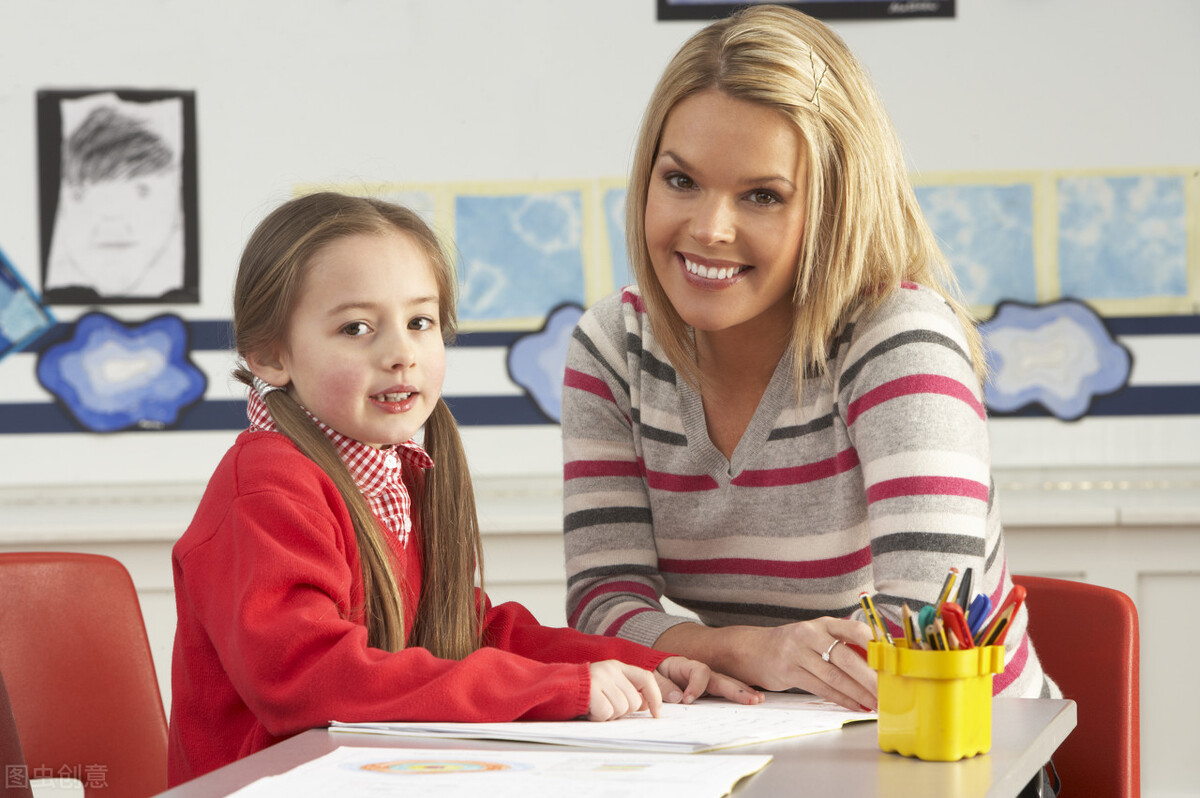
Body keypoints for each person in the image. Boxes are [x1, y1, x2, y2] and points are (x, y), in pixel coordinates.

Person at [561, 4, 1059, 713]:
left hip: (969, 744)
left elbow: (923, 633)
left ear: (835, 207)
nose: (709, 228)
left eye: (762, 196)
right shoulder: (614, 347)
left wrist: (711, 649)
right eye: (681, 181)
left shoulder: (899, 339)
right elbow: (602, 606)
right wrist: (747, 649)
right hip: (760, 739)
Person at [168, 192, 758, 785]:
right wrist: (559, 689)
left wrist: (649, 664)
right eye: (356, 328)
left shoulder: (394, 472)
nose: (401, 354)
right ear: (270, 355)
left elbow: (471, 634)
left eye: (419, 322)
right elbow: (309, 677)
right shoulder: (267, 488)